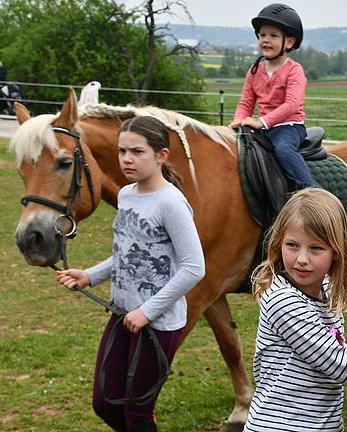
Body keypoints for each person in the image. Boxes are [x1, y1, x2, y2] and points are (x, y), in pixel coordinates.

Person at [56, 116, 206, 432]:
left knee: (137, 414)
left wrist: (147, 312)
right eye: (123, 151)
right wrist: (89, 275)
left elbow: (194, 267)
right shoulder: (126, 195)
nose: (127, 159)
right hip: (122, 314)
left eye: (137, 152)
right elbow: (127, 253)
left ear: (161, 155)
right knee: (106, 403)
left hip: (157, 324)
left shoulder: (172, 204)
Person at [245, 188, 347, 431]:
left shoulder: (325, 291)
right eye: (292, 245)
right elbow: (342, 366)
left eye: (316, 248)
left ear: (336, 252)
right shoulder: (284, 301)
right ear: (278, 243)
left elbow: (336, 353)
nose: (301, 259)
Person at [230, 3, 316, 190]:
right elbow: (246, 102)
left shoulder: (294, 70)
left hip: (289, 127)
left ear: (289, 42)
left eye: (273, 35)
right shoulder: (254, 71)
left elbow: (291, 105)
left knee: (283, 149)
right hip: (264, 128)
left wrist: (261, 122)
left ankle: (310, 190)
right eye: (262, 35)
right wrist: (238, 120)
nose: (266, 40)